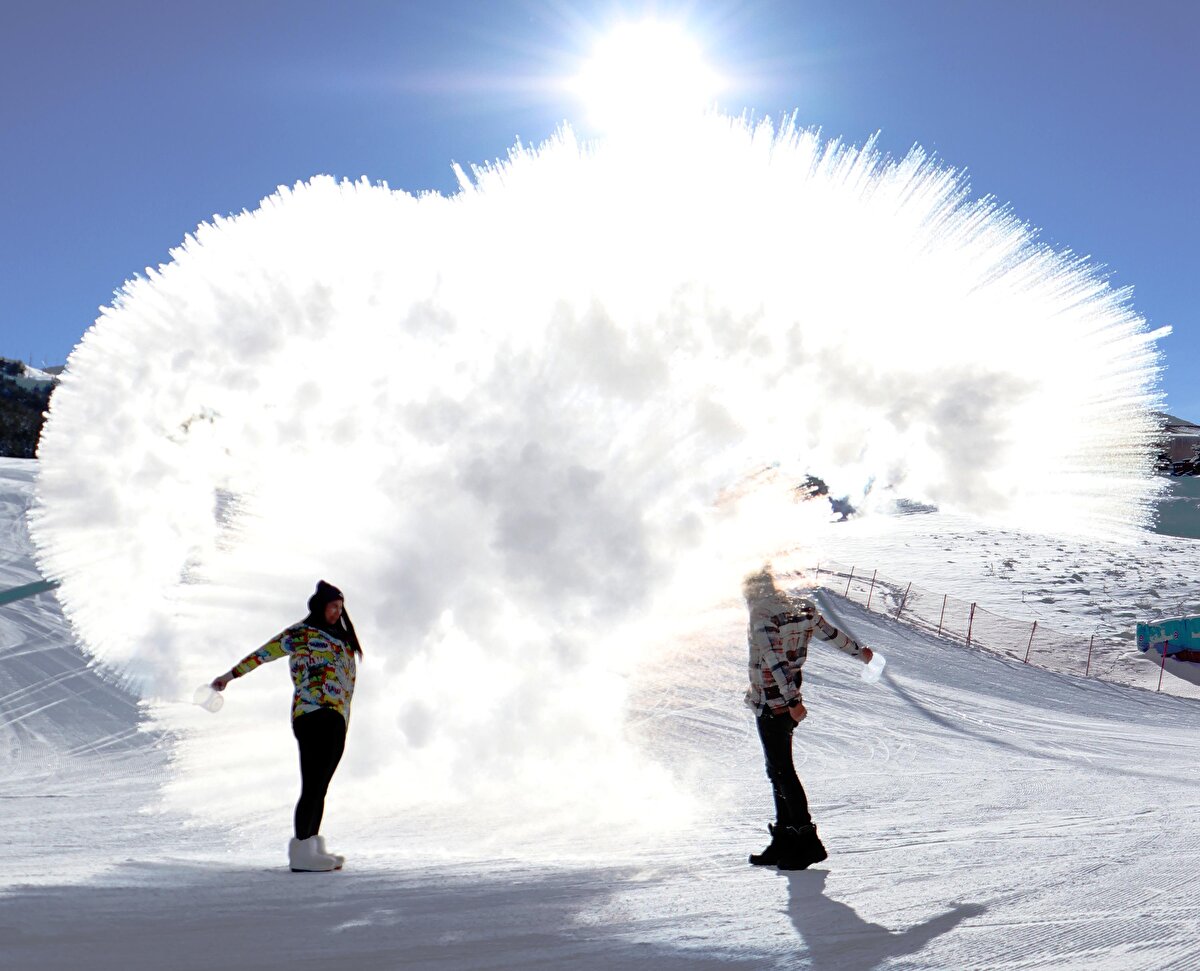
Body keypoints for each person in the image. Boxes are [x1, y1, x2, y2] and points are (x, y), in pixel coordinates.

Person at [210, 580, 362, 873]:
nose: (336, 612)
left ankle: (313, 845)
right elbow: (263, 653)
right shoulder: (301, 634)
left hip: (338, 717)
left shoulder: (341, 637)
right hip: (312, 713)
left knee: (322, 785)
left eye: (340, 608)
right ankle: (301, 849)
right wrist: (229, 676)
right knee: (313, 782)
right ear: (320, 606)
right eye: (332, 607)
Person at [743, 566, 873, 870]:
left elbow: (775, 661)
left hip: (774, 701)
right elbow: (830, 634)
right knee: (777, 769)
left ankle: (807, 841)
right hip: (785, 699)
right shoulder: (800, 607)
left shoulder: (763, 615)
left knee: (782, 770)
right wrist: (859, 652)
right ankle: (785, 839)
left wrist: (791, 701)